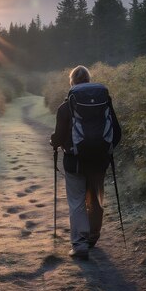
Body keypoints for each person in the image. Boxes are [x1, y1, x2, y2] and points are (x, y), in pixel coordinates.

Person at [50, 65, 121, 260]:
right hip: (99, 162)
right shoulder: (105, 102)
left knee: (77, 202)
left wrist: (54, 143)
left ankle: (80, 244)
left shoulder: (65, 107)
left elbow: (58, 137)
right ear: (89, 80)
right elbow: (117, 132)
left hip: (74, 163)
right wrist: (105, 150)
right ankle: (93, 237)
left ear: (71, 82)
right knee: (96, 199)